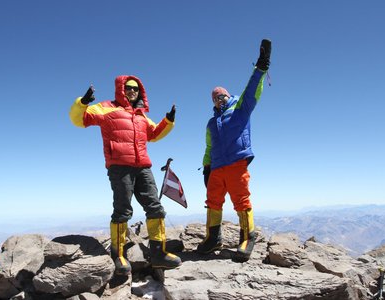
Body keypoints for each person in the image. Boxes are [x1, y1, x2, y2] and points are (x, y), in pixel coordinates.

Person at [69, 75, 182, 275]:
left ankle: (158, 255)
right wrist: (83, 103)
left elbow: (154, 134)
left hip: (143, 167)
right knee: (122, 209)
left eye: (136, 89)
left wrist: (168, 121)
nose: (132, 91)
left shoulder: (141, 115)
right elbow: (80, 120)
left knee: (155, 207)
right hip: (119, 167)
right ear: (121, 89)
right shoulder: (106, 108)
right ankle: (119, 255)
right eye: (129, 88)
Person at [196, 39, 272, 262]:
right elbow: (209, 147)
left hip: (237, 163)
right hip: (217, 167)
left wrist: (260, 68)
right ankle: (213, 238)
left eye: (222, 95)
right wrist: (206, 168)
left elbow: (251, 90)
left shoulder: (240, 109)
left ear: (228, 96)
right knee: (213, 201)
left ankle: (248, 237)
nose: (219, 98)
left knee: (241, 199)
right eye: (215, 97)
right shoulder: (211, 123)